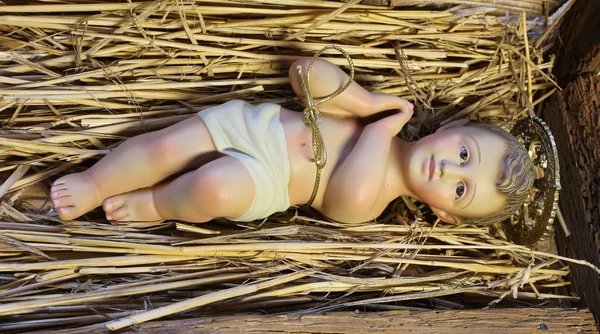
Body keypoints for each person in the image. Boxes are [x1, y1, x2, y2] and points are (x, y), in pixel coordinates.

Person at [50, 57, 534, 226]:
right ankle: (95, 182)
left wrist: (381, 128)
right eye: (465, 154)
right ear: (450, 131)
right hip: (254, 127)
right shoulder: (371, 115)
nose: (449, 170)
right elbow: (304, 75)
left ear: (444, 215)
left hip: (267, 183)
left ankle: (158, 202)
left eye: (460, 190)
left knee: (213, 189)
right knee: (162, 147)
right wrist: (364, 102)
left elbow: (346, 194)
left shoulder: (372, 200)